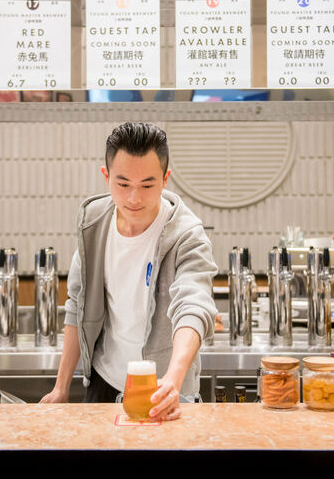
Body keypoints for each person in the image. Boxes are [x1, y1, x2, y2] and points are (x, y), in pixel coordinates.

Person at [40, 122, 218, 421]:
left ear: (165, 179)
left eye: (147, 185)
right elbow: (77, 304)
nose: (134, 198)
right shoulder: (93, 224)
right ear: (106, 177)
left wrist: (173, 380)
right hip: (104, 383)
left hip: (164, 388)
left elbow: (194, 305)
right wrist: (61, 387)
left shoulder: (187, 235)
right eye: (123, 185)